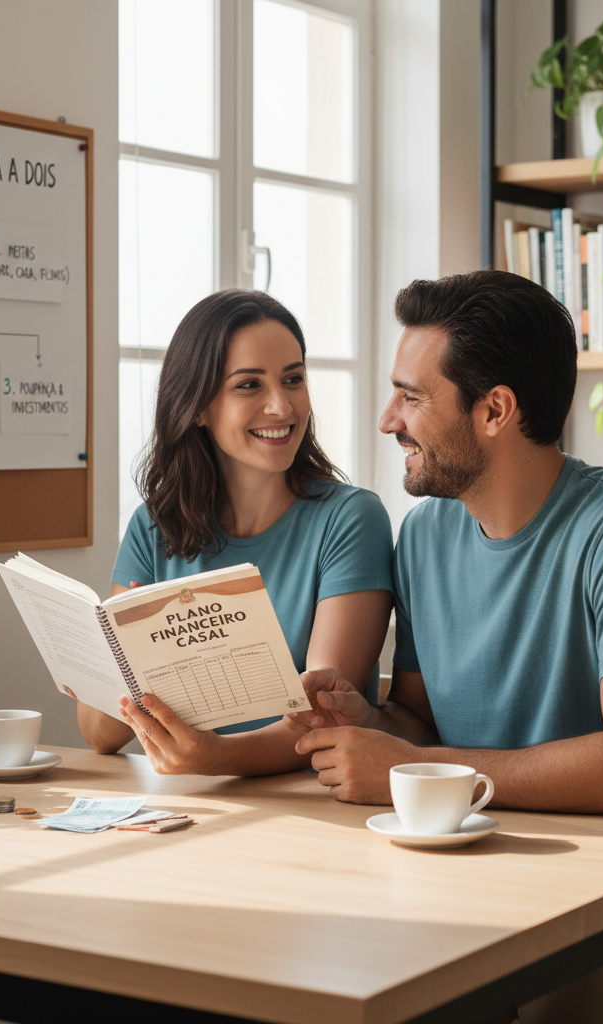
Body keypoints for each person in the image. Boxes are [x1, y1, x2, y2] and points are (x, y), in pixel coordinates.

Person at [285, 269, 603, 1023]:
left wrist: (419, 768)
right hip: (471, 886)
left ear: (495, 410)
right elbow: (420, 723)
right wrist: (370, 724)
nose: (388, 419)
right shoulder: (424, 536)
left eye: (411, 396)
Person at [77, 288, 393, 776]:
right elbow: (101, 734)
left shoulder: (351, 519)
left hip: (311, 808)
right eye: (249, 385)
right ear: (198, 406)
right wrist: (131, 648)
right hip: (181, 807)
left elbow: (324, 716)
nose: (281, 406)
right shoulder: (151, 526)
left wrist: (214, 758)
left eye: (293, 379)